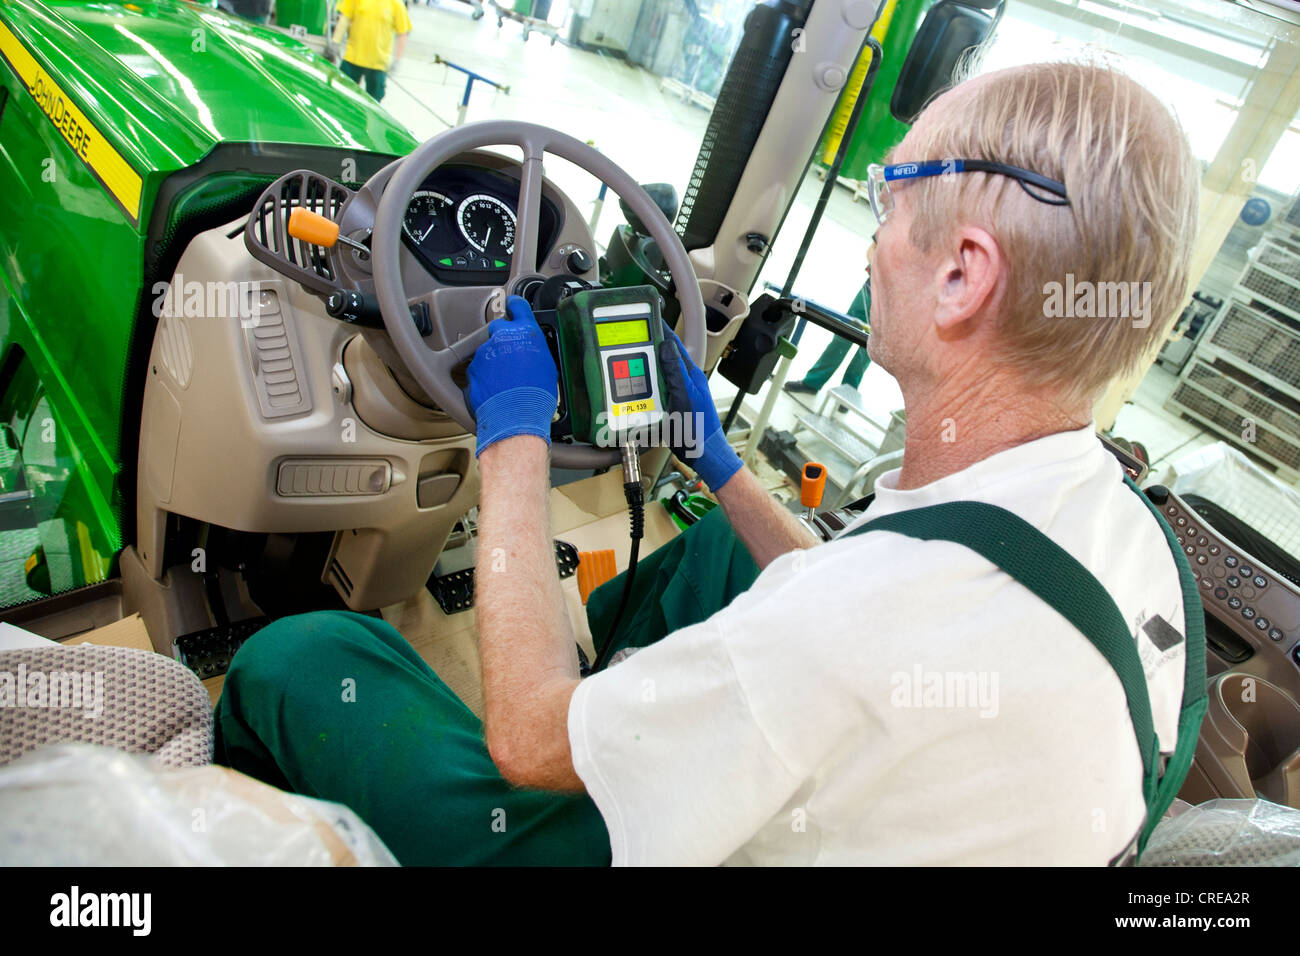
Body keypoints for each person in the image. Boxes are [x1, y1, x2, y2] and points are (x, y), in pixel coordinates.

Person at [215, 60, 1204, 865]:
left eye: (888, 194)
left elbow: (523, 735)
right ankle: (623, 700)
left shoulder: (847, 631)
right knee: (726, 555)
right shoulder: (1127, 531)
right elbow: (847, 592)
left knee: (296, 657)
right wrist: (718, 463)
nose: (872, 244)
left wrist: (512, 435)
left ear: (961, 275)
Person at [784, 282, 871, 395]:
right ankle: (813, 382)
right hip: (871, 290)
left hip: (895, 303)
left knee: (868, 350)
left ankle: (848, 394)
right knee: (843, 337)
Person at [331, 0, 412, 103]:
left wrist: (397, 60)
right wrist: (335, 42)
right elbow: (344, 19)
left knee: (373, 103)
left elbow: (402, 33)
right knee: (340, 95)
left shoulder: (396, 4)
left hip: (378, 64)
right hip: (353, 58)